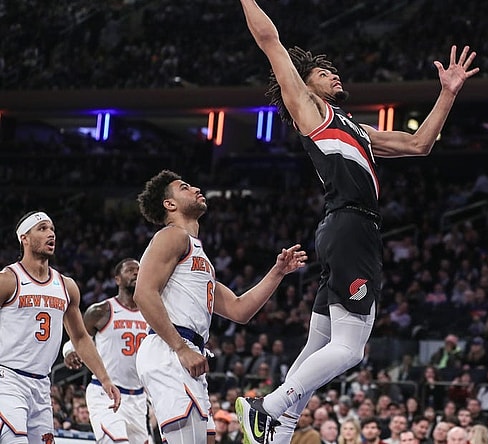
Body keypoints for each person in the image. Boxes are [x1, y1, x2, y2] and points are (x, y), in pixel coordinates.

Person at [235, 1, 479, 443]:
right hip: (351, 227)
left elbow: (418, 144)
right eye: (323, 72)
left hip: (344, 229)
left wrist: (448, 93)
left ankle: (279, 432)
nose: (334, 74)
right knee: (351, 349)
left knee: (318, 345)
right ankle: (265, 408)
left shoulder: (356, 128)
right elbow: (270, 41)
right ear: (306, 85)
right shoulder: (310, 110)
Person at [133, 170, 307, 443]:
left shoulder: (199, 255)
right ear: (170, 204)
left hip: (187, 350)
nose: (196, 189)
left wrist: (277, 273)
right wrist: (180, 348)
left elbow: (239, 310)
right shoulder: (171, 236)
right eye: (185, 187)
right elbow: (143, 294)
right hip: (169, 349)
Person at [0, 211, 121, 443]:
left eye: (52, 229)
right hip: (7, 379)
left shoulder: (66, 286)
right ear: (24, 238)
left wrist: (105, 379)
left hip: (42, 384)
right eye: (43, 228)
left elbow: (81, 338)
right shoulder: (8, 280)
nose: (51, 234)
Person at [62, 258, 149, 444]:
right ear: (117, 279)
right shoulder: (101, 311)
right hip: (106, 394)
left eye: (139, 270)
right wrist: (69, 351)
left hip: (139, 399)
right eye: (130, 270)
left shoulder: (151, 313)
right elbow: (77, 338)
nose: (136, 273)